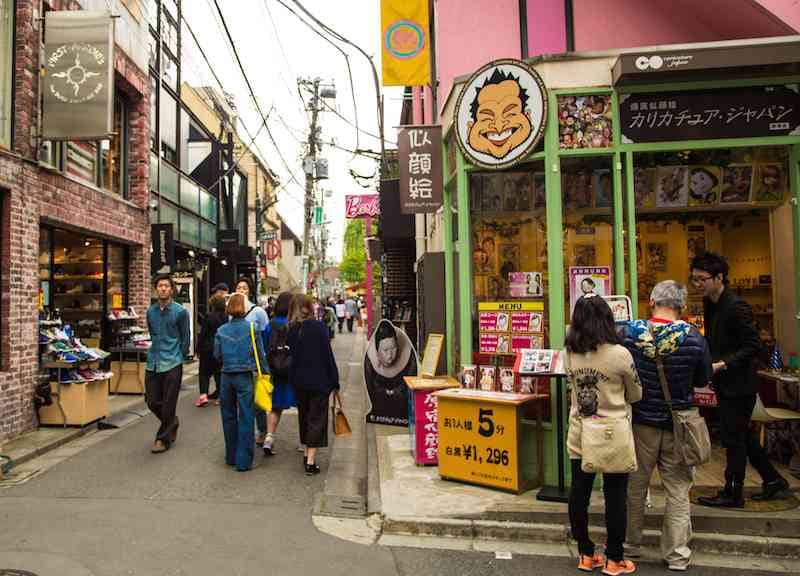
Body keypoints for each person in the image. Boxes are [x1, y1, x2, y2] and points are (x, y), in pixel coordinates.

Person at [622, 281, 712, 571]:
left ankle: (631, 545)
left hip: (642, 421)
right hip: (680, 423)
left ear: (651, 301)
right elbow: (701, 380)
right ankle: (676, 554)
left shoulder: (631, 335)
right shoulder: (694, 338)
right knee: (677, 488)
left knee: (636, 485)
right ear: (682, 306)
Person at [690, 252, 789, 507]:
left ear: (719, 277)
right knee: (741, 436)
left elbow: (753, 345)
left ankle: (732, 493)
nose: (697, 284)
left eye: (702, 279)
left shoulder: (736, 306)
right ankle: (773, 480)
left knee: (733, 439)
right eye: (694, 280)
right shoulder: (710, 304)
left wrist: (724, 363)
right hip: (723, 381)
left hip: (739, 384)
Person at [566, 294, 641, 575]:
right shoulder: (620, 354)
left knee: (579, 493)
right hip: (612, 434)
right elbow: (636, 393)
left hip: (580, 432)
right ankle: (614, 559)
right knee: (615, 496)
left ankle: (585, 553)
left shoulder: (570, 352)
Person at [213, 293, 268, 472]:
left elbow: (217, 355)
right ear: (244, 308)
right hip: (245, 376)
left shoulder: (221, 330)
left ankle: (230, 456)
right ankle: (243, 461)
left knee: (228, 416)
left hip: (226, 376)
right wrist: (266, 374)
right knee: (246, 416)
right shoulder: (252, 328)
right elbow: (260, 355)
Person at [287, 294, 339, 475]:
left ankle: (306, 449)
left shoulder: (291, 329)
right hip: (319, 380)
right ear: (308, 308)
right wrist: (335, 381)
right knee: (317, 418)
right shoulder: (318, 327)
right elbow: (327, 356)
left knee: (304, 415)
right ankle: (310, 461)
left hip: (299, 381)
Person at [145, 274, 190, 454]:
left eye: (166, 286)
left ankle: (162, 439)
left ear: (172, 290)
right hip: (153, 361)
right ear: (156, 289)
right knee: (151, 401)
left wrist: (182, 356)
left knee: (169, 402)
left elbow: (185, 337)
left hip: (173, 361)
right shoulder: (151, 312)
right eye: (160, 286)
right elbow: (151, 333)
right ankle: (172, 422)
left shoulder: (180, 312)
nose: (163, 288)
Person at [235, 276, 270, 445]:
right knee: (241, 402)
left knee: (257, 401)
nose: (241, 291)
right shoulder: (231, 311)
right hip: (237, 363)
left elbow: (266, 336)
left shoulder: (259, 312)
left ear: (249, 291)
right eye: (239, 288)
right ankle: (245, 433)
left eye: (245, 288)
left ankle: (262, 430)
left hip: (255, 363)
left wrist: (264, 365)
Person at [261, 292, 297, 456]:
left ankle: (269, 438)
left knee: (275, 407)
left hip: (275, 370)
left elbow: (264, 345)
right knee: (301, 406)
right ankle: (304, 443)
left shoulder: (271, 324)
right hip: (292, 370)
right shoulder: (295, 324)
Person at [195, 293, 227, 407]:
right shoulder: (227, 317)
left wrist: (198, 348)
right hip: (221, 348)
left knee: (204, 373)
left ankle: (203, 396)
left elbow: (203, 334)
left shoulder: (209, 316)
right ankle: (220, 396)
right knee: (219, 372)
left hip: (207, 348)